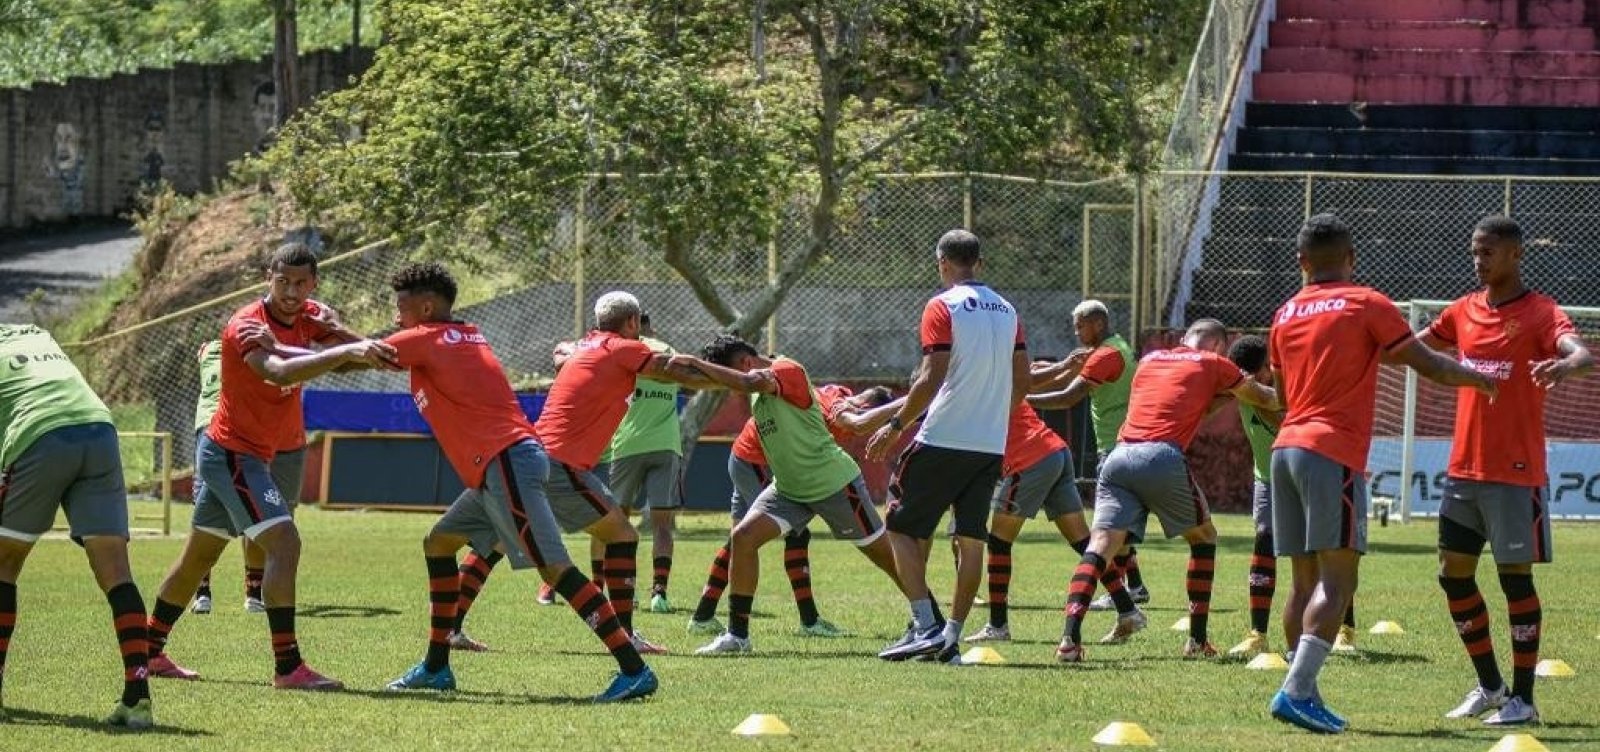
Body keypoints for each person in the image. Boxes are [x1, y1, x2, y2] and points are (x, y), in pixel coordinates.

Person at [377, 263, 657, 701]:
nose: (395, 312)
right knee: (440, 542)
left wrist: (308, 344)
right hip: (506, 464)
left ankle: (633, 668)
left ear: (426, 306)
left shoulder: (434, 338)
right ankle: (436, 666)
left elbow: (363, 353)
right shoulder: (457, 336)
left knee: (554, 567)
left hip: (510, 460)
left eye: (401, 304)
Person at [1267, 213, 1496, 734]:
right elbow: (1431, 365)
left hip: (1285, 451)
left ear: (1301, 262)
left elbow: (1281, 400)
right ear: (1351, 260)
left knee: (1302, 582)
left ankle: (1302, 690)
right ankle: (1296, 690)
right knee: (1339, 580)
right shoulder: (1367, 302)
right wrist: (1480, 378)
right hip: (1332, 452)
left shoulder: (1282, 314)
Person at [143, 242, 395, 690]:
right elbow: (277, 370)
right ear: (268, 277)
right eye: (283, 282)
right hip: (232, 454)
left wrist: (346, 335)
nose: (292, 293)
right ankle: (288, 668)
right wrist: (337, 351)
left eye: (301, 283)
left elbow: (352, 357)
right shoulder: (246, 326)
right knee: (285, 544)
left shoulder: (311, 316)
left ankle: (147, 652)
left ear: (314, 284)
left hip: (254, 453)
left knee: (197, 558)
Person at [1419, 216, 1593, 727]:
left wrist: (1565, 365)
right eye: (1474, 252)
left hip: (1516, 472)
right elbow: (1414, 347)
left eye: (1488, 252)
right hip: (1462, 471)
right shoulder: (1461, 311)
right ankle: (1490, 686)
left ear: (1515, 255)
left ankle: (1524, 700)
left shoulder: (1541, 312)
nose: (1478, 261)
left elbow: (1579, 352)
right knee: (1453, 575)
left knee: (1514, 580)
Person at [1056, 320, 1279, 663]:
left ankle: (1069, 639)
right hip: (1161, 456)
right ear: (1219, 347)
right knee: (1204, 538)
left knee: (1099, 546)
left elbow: (1190, 405)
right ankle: (1197, 641)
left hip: (1119, 457)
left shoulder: (1150, 359)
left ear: (1183, 339)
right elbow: (1263, 397)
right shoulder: (1214, 363)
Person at [672, 336, 903, 655]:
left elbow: (855, 422)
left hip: (831, 484)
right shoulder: (827, 393)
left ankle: (927, 618)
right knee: (744, 538)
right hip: (778, 478)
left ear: (745, 365)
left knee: (884, 556)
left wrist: (914, 401)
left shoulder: (786, 370)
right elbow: (850, 418)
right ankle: (737, 635)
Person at [866, 229, 1029, 662]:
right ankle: (950, 639)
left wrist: (897, 424)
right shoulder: (1009, 310)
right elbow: (1024, 381)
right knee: (971, 540)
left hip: (942, 436)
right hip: (988, 443)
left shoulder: (942, 305)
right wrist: (992, 414)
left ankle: (925, 624)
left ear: (942, 264)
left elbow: (930, 376)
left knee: (899, 527)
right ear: (981, 262)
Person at [530, 291, 714, 655]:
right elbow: (688, 375)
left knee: (612, 525)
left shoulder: (588, 347)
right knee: (642, 527)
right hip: (651, 448)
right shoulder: (643, 349)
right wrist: (739, 379)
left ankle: (587, 590)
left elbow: (561, 352)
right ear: (637, 325)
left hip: (613, 449)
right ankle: (646, 603)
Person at [0, 324, 154, 728]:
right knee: (117, 574)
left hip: (41, 434)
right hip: (99, 430)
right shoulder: (35, 332)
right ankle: (138, 700)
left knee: (3, 566)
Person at [963, 400, 1143, 644]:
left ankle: (997, 626)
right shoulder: (997, 380)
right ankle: (1127, 610)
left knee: (998, 543)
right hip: (1055, 451)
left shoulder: (973, 390)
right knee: (1084, 543)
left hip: (1029, 459)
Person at [1225, 336, 1359, 658]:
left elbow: (1281, 413)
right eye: (1245, 378)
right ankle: (1258, 633)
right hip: (1268, 479)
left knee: (1328, 550)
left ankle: (1345, 630)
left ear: (1268, 369)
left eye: (1257, 377)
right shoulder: (1238, 385)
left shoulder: (1292, 388)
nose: (1251, 384)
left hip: (1309, 472)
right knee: (1263, 539)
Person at [1028, 300, 1151, 607]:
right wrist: (1049, 368)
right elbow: (1070, 370)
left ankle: (1121, 590)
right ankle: (1134, 585)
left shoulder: (1105, 357)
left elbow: (1067, 397)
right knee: (1118, 520)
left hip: (1114, 446)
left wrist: (1020, 398)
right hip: (1125, 442)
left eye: (1080, 325)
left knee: (1110, 524)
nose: (1076, 331)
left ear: (1097, 324)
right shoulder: (1117, 346)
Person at [188, 338, 312, 616]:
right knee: (254, 515)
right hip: (228, 430)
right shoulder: (257, 352)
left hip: (217, 429)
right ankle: (251, 593)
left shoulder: (208, 348)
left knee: (209, 514)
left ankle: (205, 593)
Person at [596, 314, 685, 614]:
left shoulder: (624, 352)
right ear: (651, 326)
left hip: (628, 445)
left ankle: (621, 590)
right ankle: (659, 593)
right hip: (666, 445)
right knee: (662, 526)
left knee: (615, 525)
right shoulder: (669, 351)